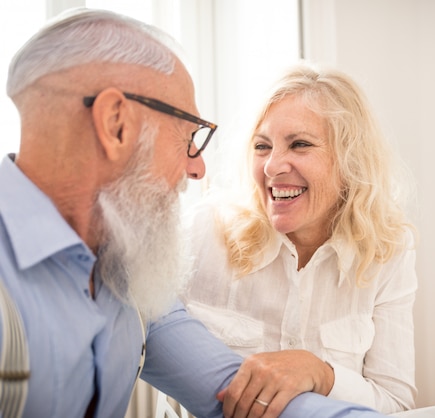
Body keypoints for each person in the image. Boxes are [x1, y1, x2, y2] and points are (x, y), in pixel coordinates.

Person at [0, 8, 392, 418]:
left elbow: (236, 392)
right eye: (188, 136)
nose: (197, 168)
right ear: (116, 123)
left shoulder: (133, 283)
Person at [183, 63, 419, 415]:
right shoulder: (203, 233)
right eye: (262, 146)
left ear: (350, 160)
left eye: (300, 144)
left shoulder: (387, 250)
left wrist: (322, 375)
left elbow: (397, 406)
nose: (272, 166)